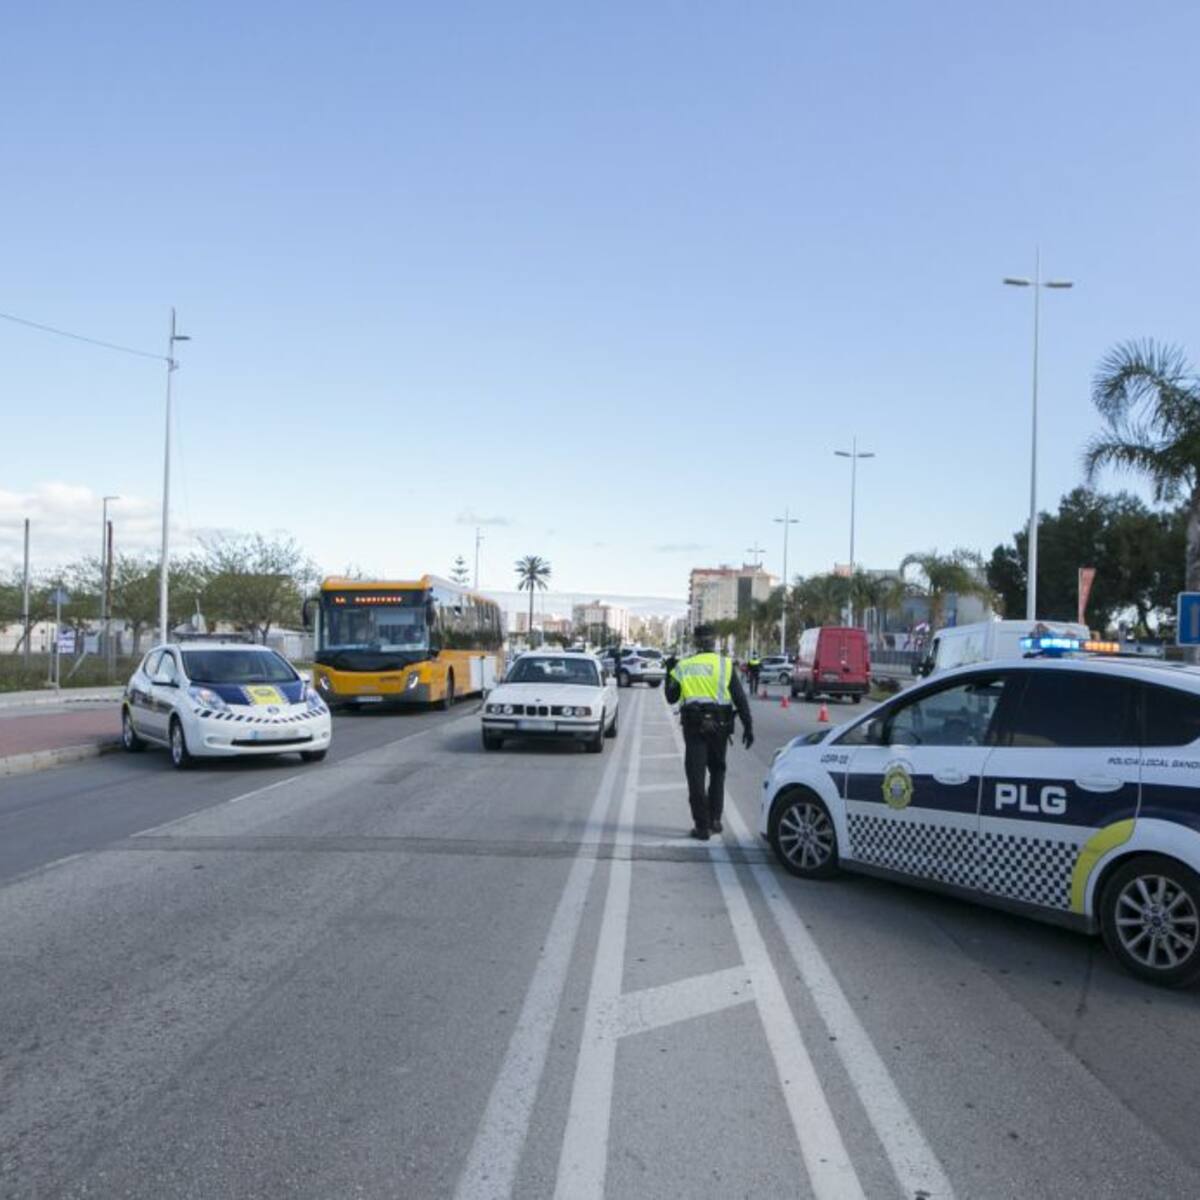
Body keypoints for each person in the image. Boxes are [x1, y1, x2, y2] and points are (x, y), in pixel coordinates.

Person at [664, 625, 754, 841]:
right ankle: (715, 820)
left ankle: (702, 826)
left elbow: (671, 697)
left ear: (696, 642)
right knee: (717, 772)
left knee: (695, 777)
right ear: (714, 642)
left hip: (695, 728)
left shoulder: (683, 666)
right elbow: (739, 698)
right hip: (720, 727)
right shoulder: (724, 665)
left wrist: (669, 671)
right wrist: (748, 725)